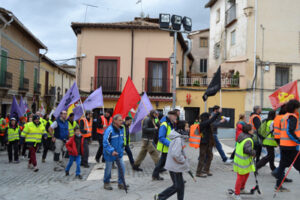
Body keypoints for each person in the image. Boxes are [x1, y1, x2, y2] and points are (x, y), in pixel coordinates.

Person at [154, 120, 190, 200]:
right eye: (187, 126)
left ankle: (161, 197)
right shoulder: (178, 139)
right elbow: (176, 154)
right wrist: (183, 160)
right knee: (177, 186)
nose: (188, 128)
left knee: (180, 186)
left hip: (176, 167)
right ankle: (160, 197)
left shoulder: (178, 137)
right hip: (175, 167)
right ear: (182, 128)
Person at [275, 100, 300, 192]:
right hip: (291, 146)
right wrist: (298, 140)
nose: (298, 109)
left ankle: (278, 185)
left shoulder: (284, 117)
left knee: (282, 165)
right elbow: (290, 131)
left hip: (284, 145)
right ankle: (278, 185)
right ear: (295, 108)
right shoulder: (292, 117)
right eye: (297, 108)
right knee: (298, 165)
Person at [103, 114, 128, 190]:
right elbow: (105, 142)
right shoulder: (109, 130)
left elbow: (121, 141)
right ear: (115, 121)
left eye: (122, 120)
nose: (122, 121)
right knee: (108, 169)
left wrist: (122, 149)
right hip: (110, 154)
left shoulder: (121, 129)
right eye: (120, 120)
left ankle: (121, 183)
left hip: (118, 153)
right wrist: (111, 151)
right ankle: (106, 182)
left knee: (122, 168)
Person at [232, 124, 256, 200]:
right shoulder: (248, 140)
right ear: (249, 131)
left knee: (246, 174)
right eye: (252, 129)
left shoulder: (242, 135)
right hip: (243, 162)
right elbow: (247, 150)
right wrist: (253, 152)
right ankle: (236, 193)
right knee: (240, 177)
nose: (253, 130)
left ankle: (242, 188)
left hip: (241, 161)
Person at [152, 111, 177, 181]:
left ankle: (155, 175)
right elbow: (161, 137)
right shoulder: (164, 124)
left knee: (162, 163)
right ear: (170, 116)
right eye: (174, 116)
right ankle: (177, 179)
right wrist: (171, 144)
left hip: (168, 147)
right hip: (165, 147)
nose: (176, 117)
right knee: (169, 163)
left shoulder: (171, 124)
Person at [196, 110, 220, 177]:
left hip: (208, 143)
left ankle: (206, 170)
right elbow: (211, 120)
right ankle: (198, 172)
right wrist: (217, 113)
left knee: (210, 156)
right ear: (206, 117)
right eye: (209, 116)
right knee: (202, 157)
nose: (210, 117)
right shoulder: (203, 123)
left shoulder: (207, 123)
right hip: (203, 143)